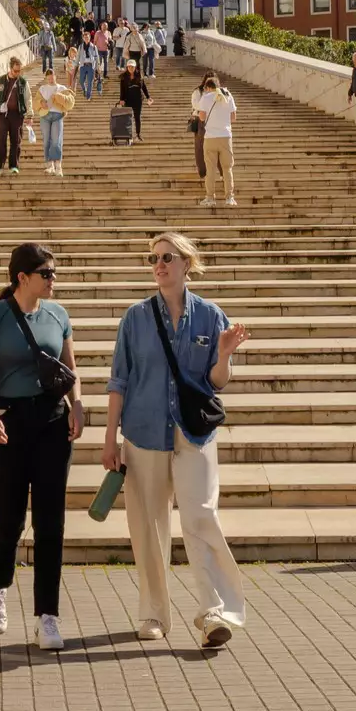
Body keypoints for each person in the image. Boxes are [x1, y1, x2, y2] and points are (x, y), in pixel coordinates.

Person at [103, 230, 249, 648]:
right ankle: (152, 613)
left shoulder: (210, 315)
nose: (160, 265)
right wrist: (110, 438)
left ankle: (214, 612)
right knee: (147, 525)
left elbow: (217, 382)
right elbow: (120, 379)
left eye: (168, 257)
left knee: (201, 515)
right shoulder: (135, 317)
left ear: (187, 263)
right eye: (154, 258)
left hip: (194, 432)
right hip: (143, 431)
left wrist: (222, 354)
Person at [0, 242, 84, 652]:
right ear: (23, 277)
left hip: (52, 422)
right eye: (47, 273)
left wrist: (78, 406)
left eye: (54, 273)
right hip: (9, 423)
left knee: (51, 522)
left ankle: (47, 617)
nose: (53, 280)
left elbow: (70, 369)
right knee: (9, 518)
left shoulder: (59, 315)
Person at [192, 74, 237, 206]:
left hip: (210, 137)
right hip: (225, 136)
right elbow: (233, 118)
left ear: (207, 87)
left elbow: (201, 117)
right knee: (227, 168)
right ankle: (229, 197)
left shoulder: (206, 97)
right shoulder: (228, 95)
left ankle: (210, 198)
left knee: (210, 169)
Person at [0, 54, 31, 175]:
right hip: (2, 115)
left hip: (17, 115)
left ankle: (14, 166)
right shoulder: (0, 80)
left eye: (19, 71)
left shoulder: (23, 82)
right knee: (0, 139)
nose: (18, 73)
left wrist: (30, 115)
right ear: (10, 69)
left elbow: (28, 99)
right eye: (16, 71)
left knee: (16, 140)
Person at [37, 64, 74, 176]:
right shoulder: (42, 88)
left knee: (56, 141)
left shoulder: (62, 88)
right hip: (45, 116)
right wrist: (40, 103)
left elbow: (70, 102)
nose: (50, 79)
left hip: (57, 115)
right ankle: (50, 165)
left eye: (52, 77)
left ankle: (58, 166)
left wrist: (59, 96)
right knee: (46, 141)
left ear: (55, 76)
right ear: (46, 78)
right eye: (48, 77)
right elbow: (35, 101)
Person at [118, 55, 153, 139]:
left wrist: (148, 97)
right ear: (127, 67)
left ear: (135, 67)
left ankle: (138, 134)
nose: (131, 68)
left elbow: (144, 87)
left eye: (132, 67)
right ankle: (128, 135)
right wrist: (121, 99)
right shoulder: (123, 77)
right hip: (128, 99)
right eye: (129, 67)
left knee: (137, 117)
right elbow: (122, 89)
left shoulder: (139, 76)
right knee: (128, 118)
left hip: (138, 99)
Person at [76, 34, 98, 102]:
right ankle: (84, 89)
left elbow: (96, 57)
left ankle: (88, 96)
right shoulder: (80, 46)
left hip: (91, 66)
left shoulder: (93, 46)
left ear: (89, 38)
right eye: (85, 37)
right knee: (81, 81)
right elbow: (78, 56)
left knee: (90, 82)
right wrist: (76, 65)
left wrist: (97, 67)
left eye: (87, 37)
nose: (86, 38)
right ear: (83, 38)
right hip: (83, 65)